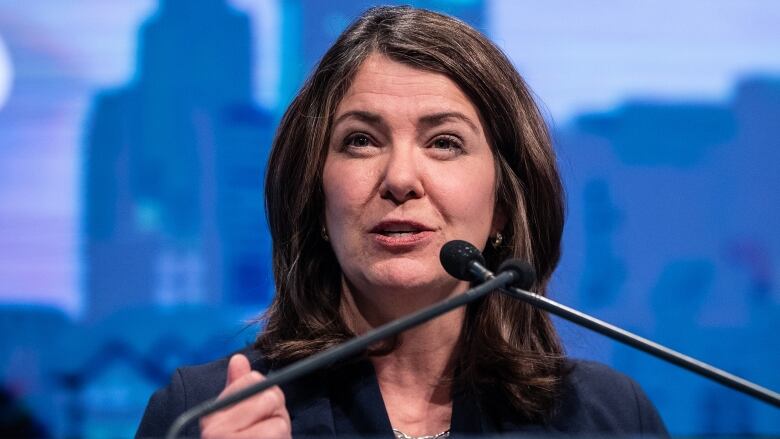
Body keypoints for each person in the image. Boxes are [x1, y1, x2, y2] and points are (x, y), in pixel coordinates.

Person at [137, 6, 668, 438]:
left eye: (444, 142)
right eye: (361, 141)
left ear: (503, 204)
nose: (400, 178)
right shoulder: (206, 413)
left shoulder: (607, 418)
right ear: (316, 198)